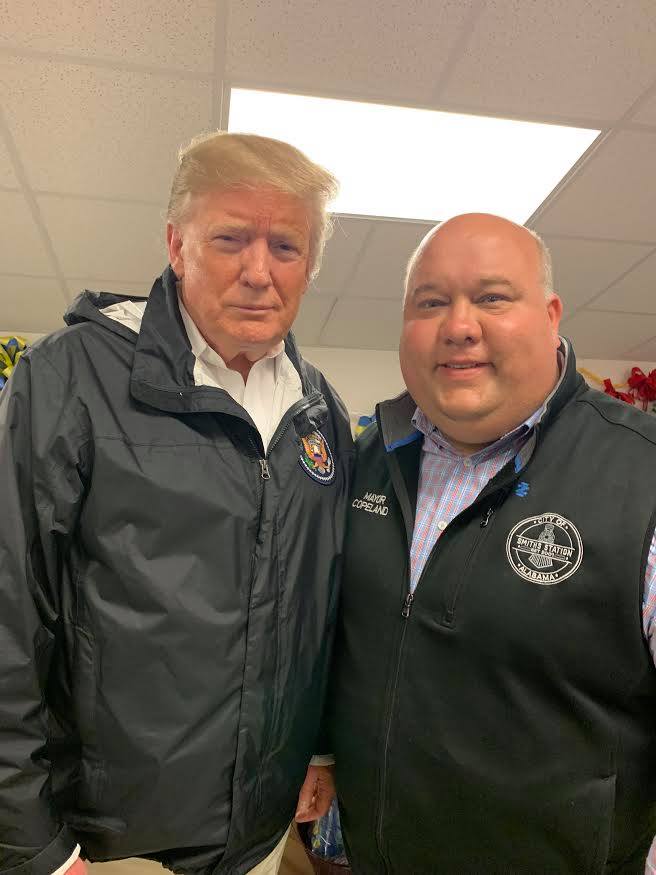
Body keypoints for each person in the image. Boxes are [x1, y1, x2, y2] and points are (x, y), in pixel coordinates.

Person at [0, 132, 352, 875]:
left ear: (310, 266)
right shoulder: (70, 376)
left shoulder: (320, 412)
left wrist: (316, 747)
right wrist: (29, 842)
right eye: (230, 238)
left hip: (259, 828)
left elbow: (322, 607)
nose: (259, 270)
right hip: (107, 842)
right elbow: (10, 611)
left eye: (286, 246)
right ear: (176, 244)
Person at [328, 213, 656, 873]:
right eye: (430, 302)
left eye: (492, 297)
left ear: (551, 316)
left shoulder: (641, 473)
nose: (459, 325)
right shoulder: (364, 460)